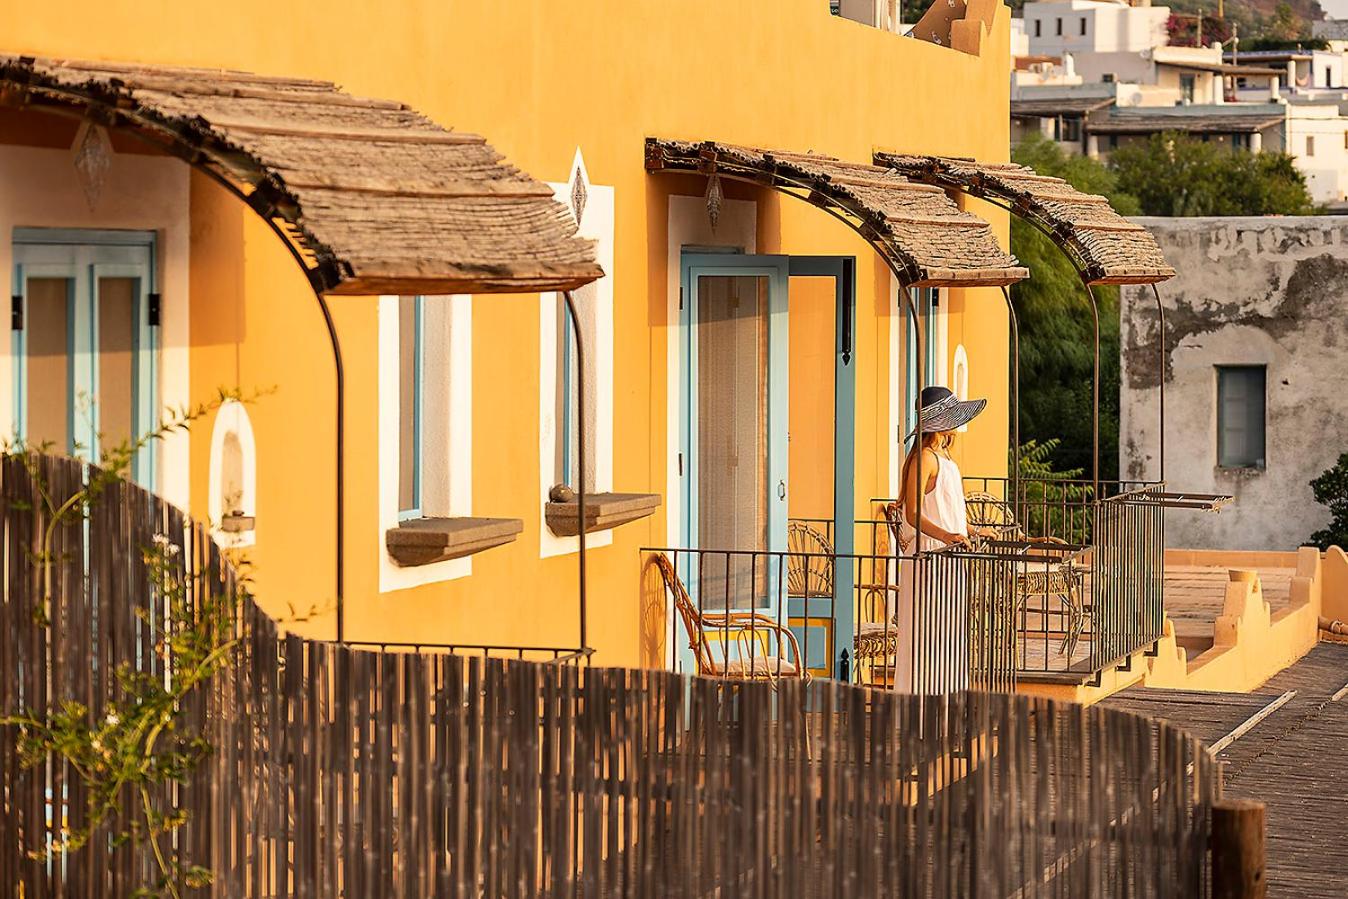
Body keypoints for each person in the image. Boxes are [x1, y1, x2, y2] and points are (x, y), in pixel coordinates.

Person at [893, 385, 990, 694]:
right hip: (930, 556)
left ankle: (945, 700)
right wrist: (948, 536)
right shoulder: (924, 459)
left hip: (949, 557)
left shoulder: (943, 458)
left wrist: (973, 530)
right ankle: (920, 700)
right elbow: (913, 513)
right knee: (927, 629)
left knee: (948, 631)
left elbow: (947, 511)